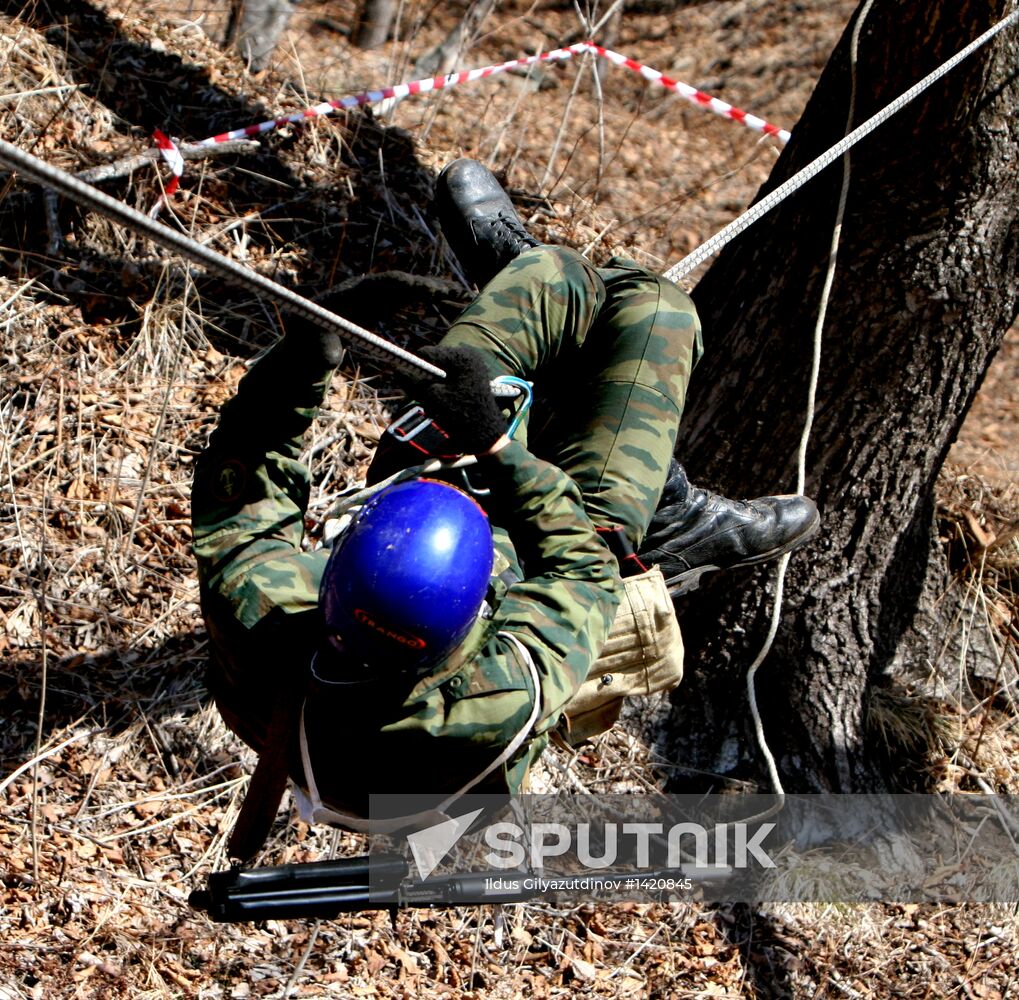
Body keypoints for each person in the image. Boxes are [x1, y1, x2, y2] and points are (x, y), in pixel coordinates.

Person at [191, 160, 818, 857]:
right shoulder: (493, 692)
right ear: (471, 627)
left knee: (552, 283)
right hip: (559, 538)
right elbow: (578, 567)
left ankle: (537, 282)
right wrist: (496, 447)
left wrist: (307, 351)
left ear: (334, 568)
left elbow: (245, 479)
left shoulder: (260, 612)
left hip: (436, 485)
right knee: (656, 309)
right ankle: (664, 516)